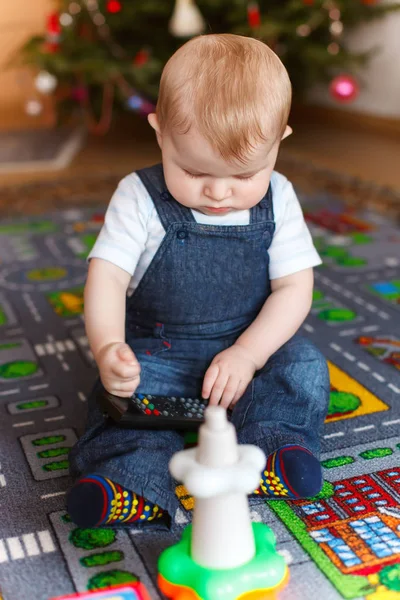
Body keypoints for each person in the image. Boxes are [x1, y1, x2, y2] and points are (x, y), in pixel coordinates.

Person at [67, 33, 330, 529]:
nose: (218, 192)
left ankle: (271, 450)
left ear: (280, 142)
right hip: (161, 350)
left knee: (304, 369)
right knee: (118, 399)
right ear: (160, 131)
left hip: (250, 347)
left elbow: (294, 289)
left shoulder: (280, 197)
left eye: (245, 174)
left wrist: (249, 354)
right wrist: (108, 350)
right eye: (191, 169)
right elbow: (106, 276)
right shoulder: (138, 196)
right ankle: (128, 479)